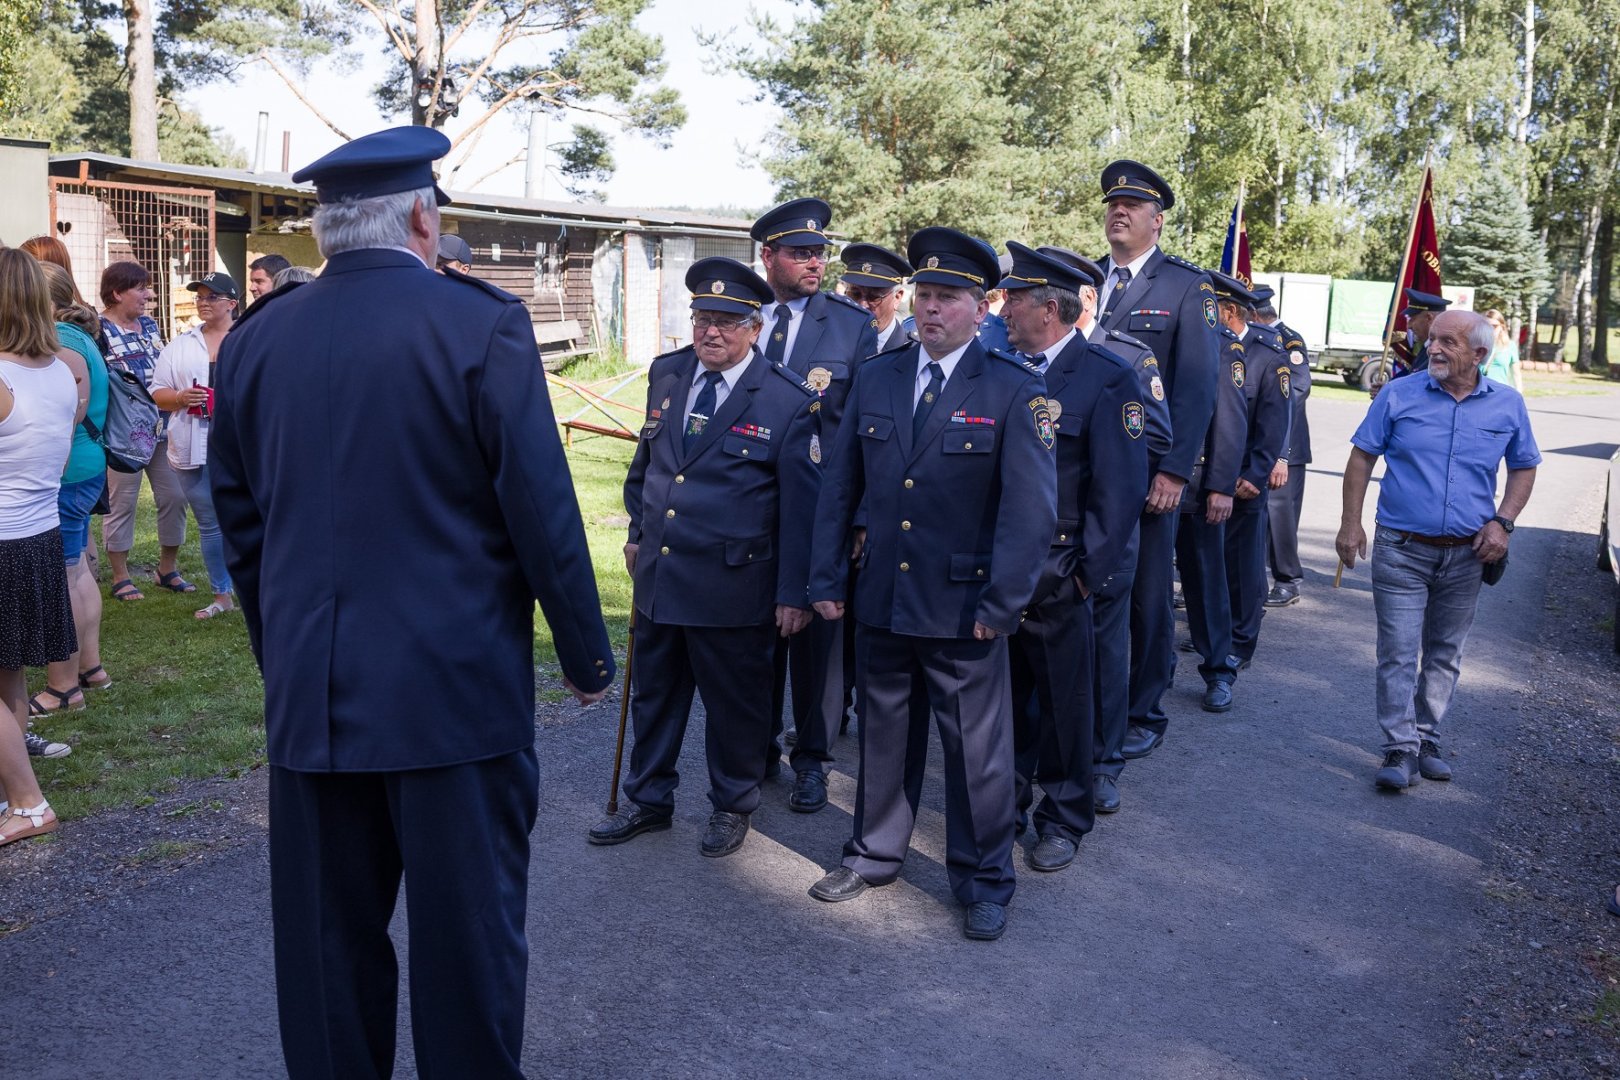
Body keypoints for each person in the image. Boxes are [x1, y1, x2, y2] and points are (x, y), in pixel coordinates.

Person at [210, 126, 615, 1078]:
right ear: (424, 219)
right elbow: (539, 506)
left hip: (313, 700)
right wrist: (586, 655)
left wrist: (285, 657)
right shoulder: (478, 324)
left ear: (324, 232)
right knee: (466, 944)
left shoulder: (255, 340)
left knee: (325, 950)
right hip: (453, 697)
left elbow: (243, 526)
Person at [805, 227, 1057, 941]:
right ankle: (874, 853)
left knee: (976, 753)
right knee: (884, 734)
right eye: (925, 295)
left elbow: (1030, 512)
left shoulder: (1014, 389)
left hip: (964, 605)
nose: (933, 309)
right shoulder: (878, 376)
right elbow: (840, 486)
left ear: (983, 307)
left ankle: (983, 878)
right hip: (884, 593)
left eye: (949, 297)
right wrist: (826, 575)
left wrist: (1002, 604)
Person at [590, 257, 820, 858]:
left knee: (734, 703)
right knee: (654, 696)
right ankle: (648, 799)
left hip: (733, 583)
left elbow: (802, 510)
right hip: (662, 574)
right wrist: (637, 530)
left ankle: (732, 803)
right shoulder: (668, 375)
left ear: (755, 327)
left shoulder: (786, 399)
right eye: (702, 319)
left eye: (727, 321)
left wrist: (793, 592)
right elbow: (646, 467)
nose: (711, 332)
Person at [1335, 309, 1539, 791]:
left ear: (1480, 354)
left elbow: (1525, 465)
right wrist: (1350, 523)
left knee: (1446, 653)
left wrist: (1503, 522)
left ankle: (1427, 736)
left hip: (1469, 554)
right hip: (1402, 548)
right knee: (1399, 652)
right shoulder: (1398, 394)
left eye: (1449, 342)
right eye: (1434, 339)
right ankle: (1400, 746)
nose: (1434, 348)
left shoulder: (1508, 405)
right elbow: (1362, 457)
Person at [997, 242, 1146, 870]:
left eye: (1014, 300)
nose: (1004, 310)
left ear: (1049, 309)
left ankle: (1062, 817)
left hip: (1061, 571)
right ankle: (1002, 806)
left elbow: (1120, 490)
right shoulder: (1000, 368)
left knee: (1064, 705)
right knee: (1001, 702)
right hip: (998, 569)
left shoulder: (1108, 377)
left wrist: (1086, 575)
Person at [749, 198, 878, 814]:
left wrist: (861, 515)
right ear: (768, 256)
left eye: (820, 254)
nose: (815, 264)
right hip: (749, 505)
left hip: (824, 506)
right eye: (801, 253)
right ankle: (755, 747)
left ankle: (813, 758)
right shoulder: (742, 314)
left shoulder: (852, 327)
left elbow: (871, 428)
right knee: (752, 634)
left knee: (818, 640)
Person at [1092, 160, 1219, 763]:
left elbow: (1196, 388)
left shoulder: (1186, 287)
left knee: (1146, 595)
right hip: (1086, 469)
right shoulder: (1085, 280)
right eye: (1113, 204)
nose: (1119, 212)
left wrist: (1174, 470)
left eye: (1133, 206)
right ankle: (1091, 702)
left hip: (1148, 473)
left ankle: (1144, 710)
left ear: (1157, 220)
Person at [1040, 244, 1169, 814]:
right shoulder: (1016, 354)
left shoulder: (1126, 359)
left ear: (1084, 298)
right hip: (1038, 543)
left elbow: (1155, 439)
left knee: (1102, 655)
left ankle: (1102, 763)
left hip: (1099, 539)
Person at [0, 247, 78, 845]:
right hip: (35, 537)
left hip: (7, 541)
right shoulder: (59, 369)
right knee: (9, 676)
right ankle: (14, 792)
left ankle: (28, 804)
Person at [27, 263, 111, 729]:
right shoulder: (76, 336)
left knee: (64, 574)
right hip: (84, 466)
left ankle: (63, 687)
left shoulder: (60, 344)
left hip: (68, 471)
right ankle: (90, 668)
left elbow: (63, 418)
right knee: (76, 569)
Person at [1174, 274, 1248, 713]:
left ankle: (1219, 669)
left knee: (1204, 581)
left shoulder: (1222, 345)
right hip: (1150, 480)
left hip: (1200, 486)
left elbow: (1230, 420)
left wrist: (1221, 485)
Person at [97, 260, 191, 602]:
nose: (149, 295)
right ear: (117, 292)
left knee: (175, 496)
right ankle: (121, 576)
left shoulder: (149, 325)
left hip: (161, 427)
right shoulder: (99, 330)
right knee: (122, 502)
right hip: (123, 434)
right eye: (141, 288)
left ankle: (167, 569)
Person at [150, 272, 240, 621]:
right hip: (192, 444)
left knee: (249, 516)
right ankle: (222, 594)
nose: (203, 302)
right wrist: (180, 397)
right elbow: (157, 392)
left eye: (211, 297)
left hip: (240, 445)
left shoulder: (248, 338)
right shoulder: (181, 345)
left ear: (231, 303)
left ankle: (257, 588)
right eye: (200, 296)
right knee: (209, 521)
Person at [1224, 277, 1291, 673]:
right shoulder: (1211, 346)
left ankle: (1241, 640)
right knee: (1213, 564)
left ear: (1231, 311)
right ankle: (1215, 631)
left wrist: (1257, 472)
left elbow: (1274, 422)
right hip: (1210, 476)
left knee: (1244, 566)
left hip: (1245, 478)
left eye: (1214, 307)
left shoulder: (1267, 355)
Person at [1257, 288, 1312, 608]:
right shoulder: (1257, 338)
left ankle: (1287, 580)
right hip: (1258, 441)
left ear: (1255, 314)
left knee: (1280, 518)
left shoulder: (1288, 340)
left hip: (1286, 445)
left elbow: (1297, 389)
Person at [839, 242, 912, 352]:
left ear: (897, 298)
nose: (862, 305)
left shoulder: (912, 354)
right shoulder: (831, 344)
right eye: (855, 294)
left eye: (873, 297)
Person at [1386, 288, 1449, 383]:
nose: (1409, 326)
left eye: (1412, 319)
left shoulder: (1442, 352)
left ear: (1428, 318)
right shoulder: (1427, 348)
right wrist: (1387, 388)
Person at [1480, 308, 1523, 390]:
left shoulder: (1510, 346)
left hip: (1500, 392)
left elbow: (1516, 374)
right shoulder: (1476, 345)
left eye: (1494, 326)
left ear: (1502, 327)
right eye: (1487, 326)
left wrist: (1519, 393)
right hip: (1479, 392)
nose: (1491, 329)